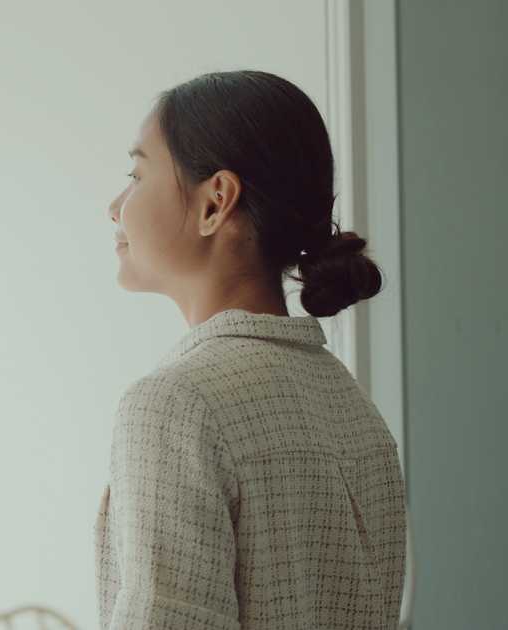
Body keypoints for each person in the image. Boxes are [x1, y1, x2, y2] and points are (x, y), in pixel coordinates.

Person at [95, 70, 408, 629]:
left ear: (217, 201)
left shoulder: (174, 405)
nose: (116, 206)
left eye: (136, 174)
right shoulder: (354, 410)